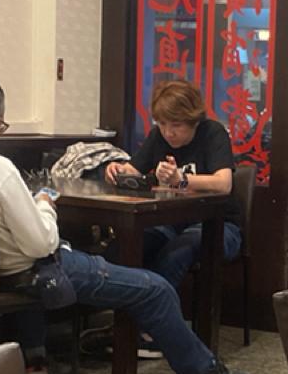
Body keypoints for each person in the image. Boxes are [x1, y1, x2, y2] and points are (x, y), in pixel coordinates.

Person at [0, 72, 248, 374]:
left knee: (148, 256)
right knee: (155, 289)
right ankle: (202, 372)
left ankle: (38, 359)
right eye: (1, 128)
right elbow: (41, 244)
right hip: (26, 275)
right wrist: (44, 204)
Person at [102, 79, 243, 293]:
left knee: (175, 254)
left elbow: (223, 184)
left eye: (176, 125)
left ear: (193, 120)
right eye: (162, 124)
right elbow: (132, 170)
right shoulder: (158, 137)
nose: (168, 132)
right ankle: (125, 310)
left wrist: (181, 179)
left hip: (218, 226)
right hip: (170, 222)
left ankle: (155, 311)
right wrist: (116, 170)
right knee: (123, 248)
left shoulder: (212, 133)